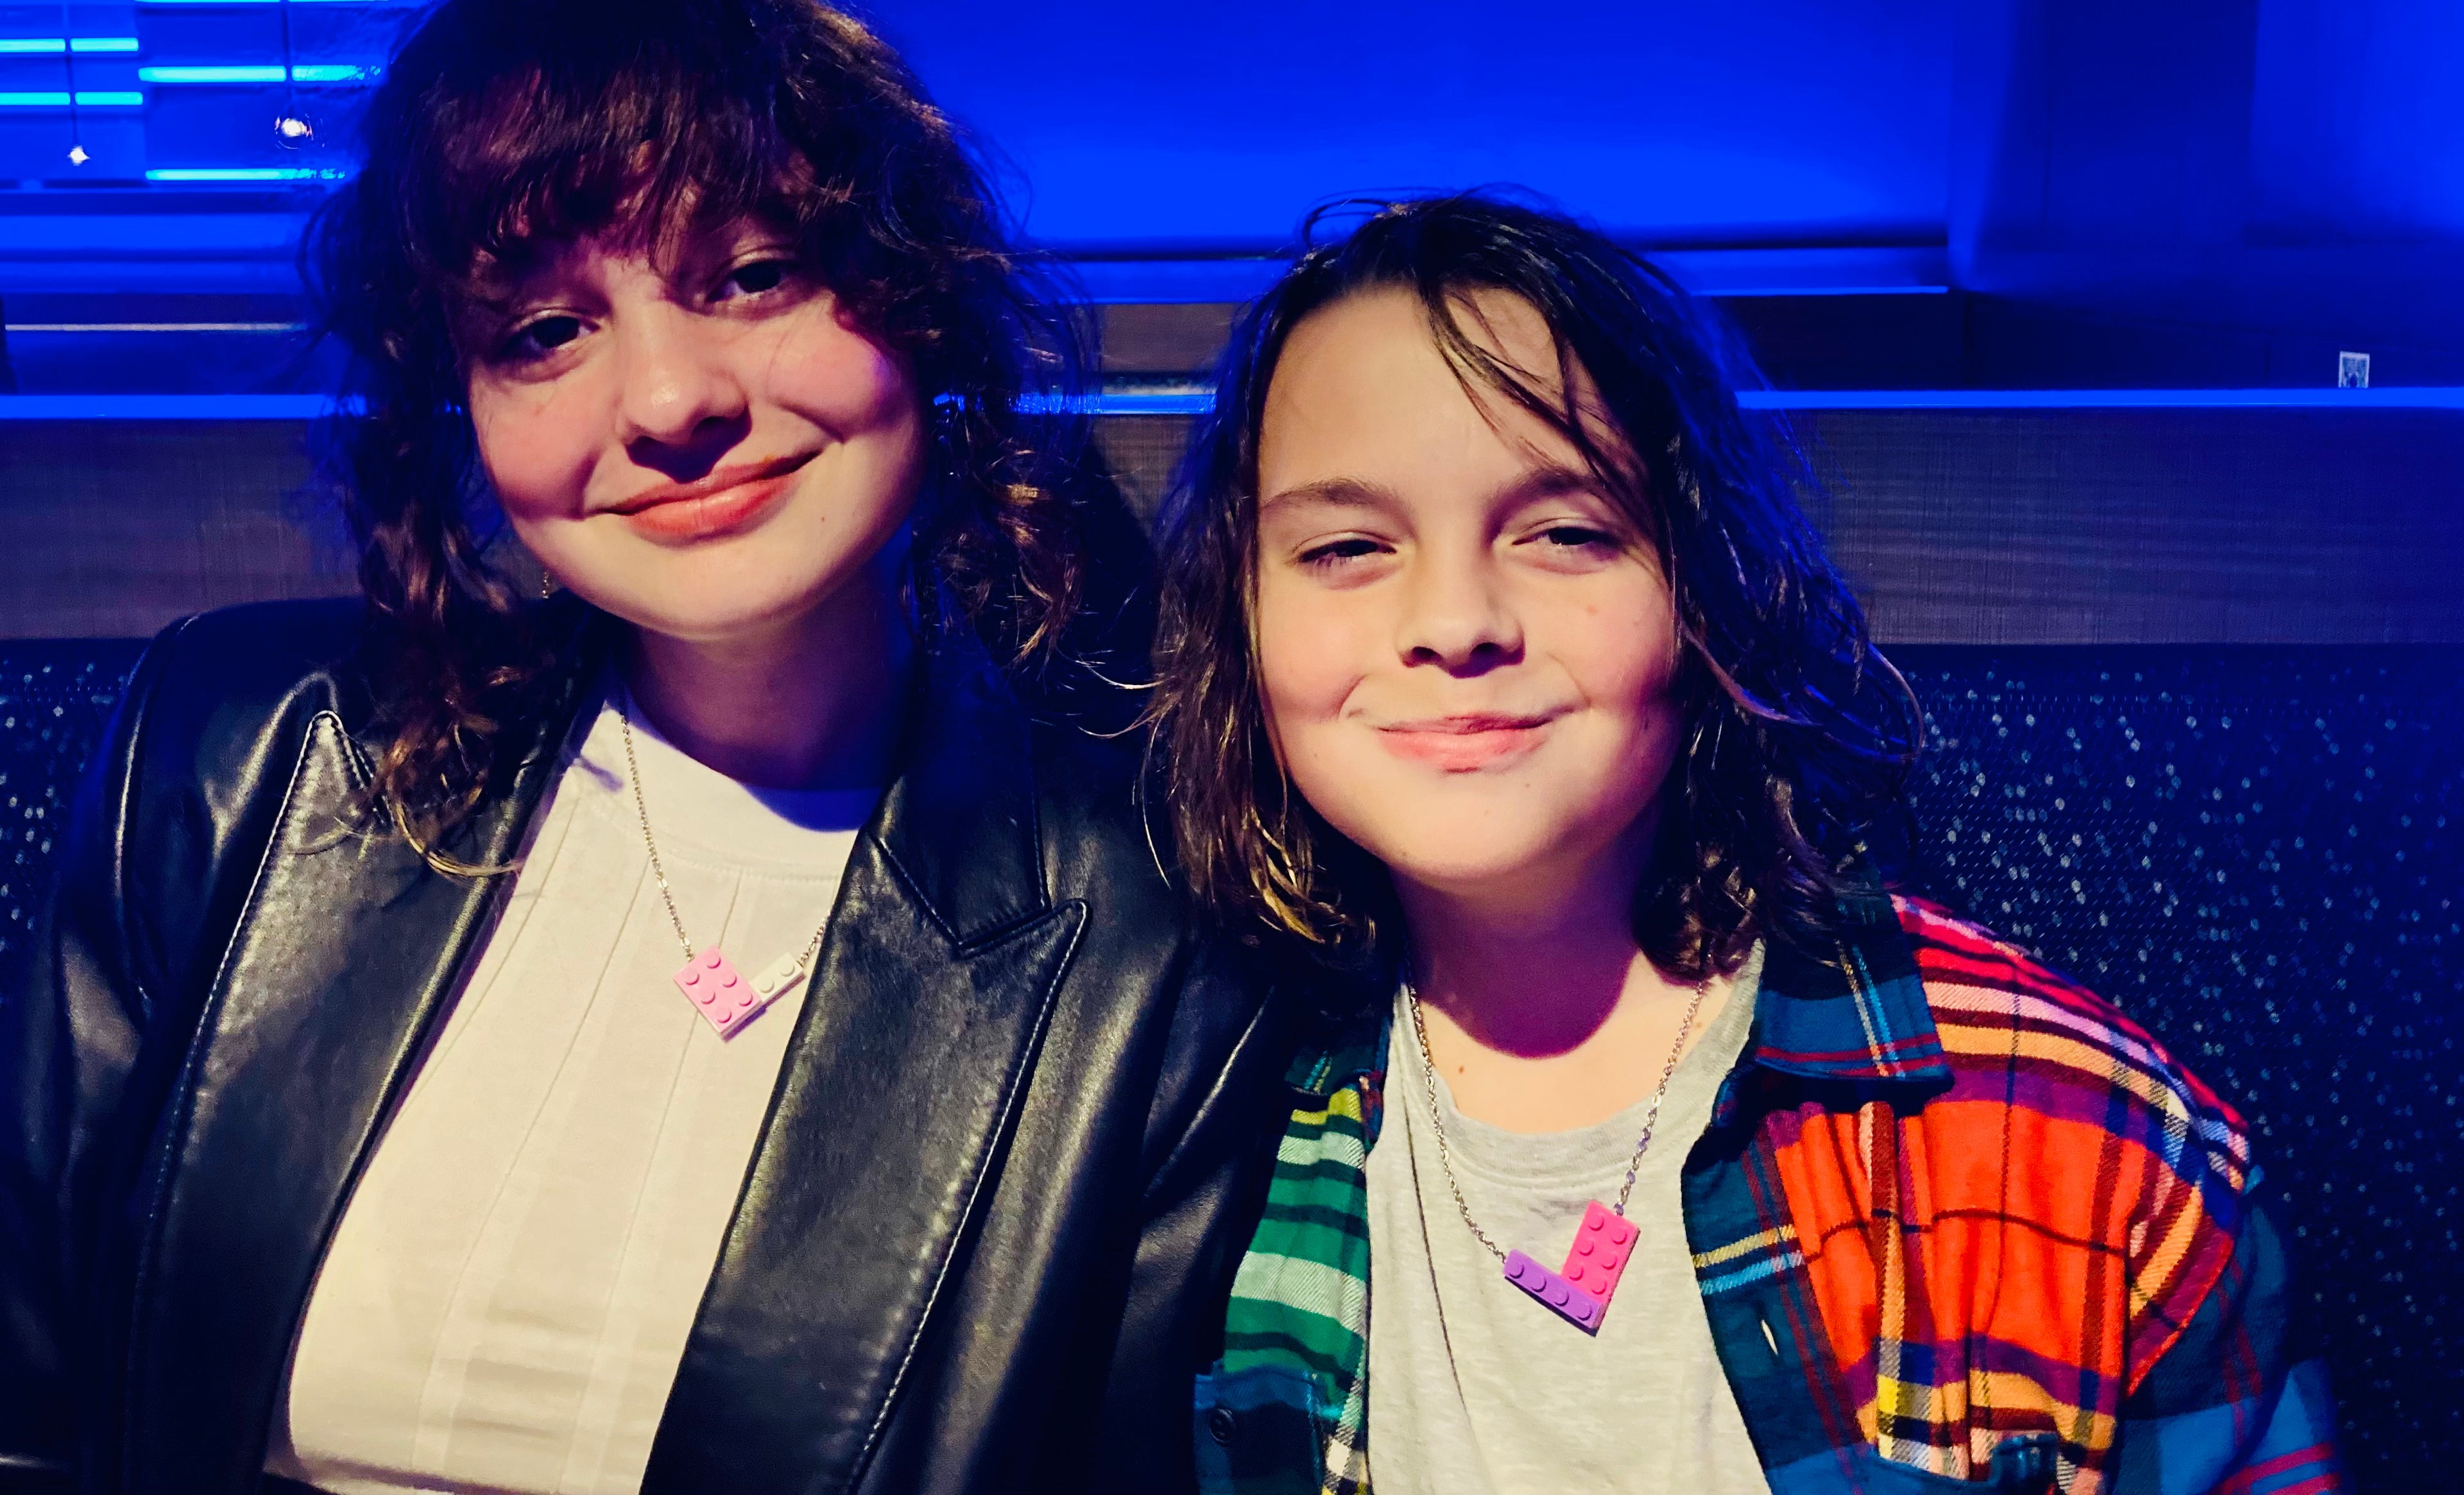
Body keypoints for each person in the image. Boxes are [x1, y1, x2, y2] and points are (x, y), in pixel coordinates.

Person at [0, 3, 1284, 1491]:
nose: (673, 402)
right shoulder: (236, 760)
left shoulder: (1151, 937)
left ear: (917, 303)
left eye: (752, 274)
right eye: (544, 329)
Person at [1149, 196, 2343, 1495]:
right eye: (1346, 546)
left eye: (1565, 532)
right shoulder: (1184, 1131)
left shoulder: (2088, 1150)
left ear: (1702, 588)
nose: (1454, 620)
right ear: (1244, 622)